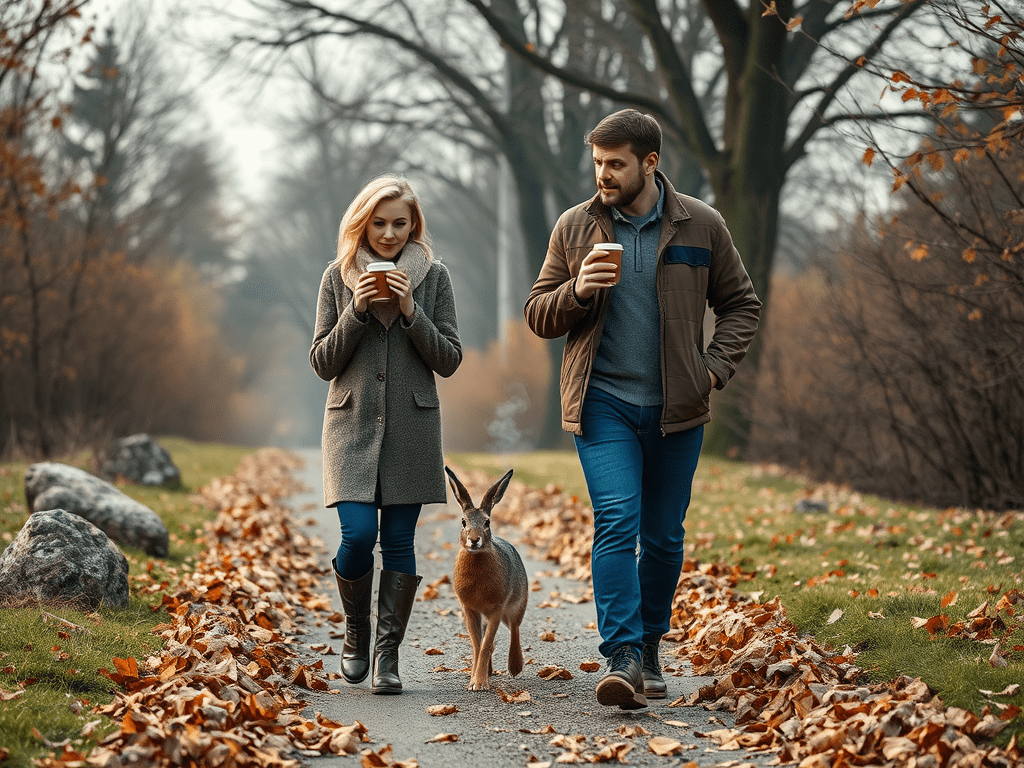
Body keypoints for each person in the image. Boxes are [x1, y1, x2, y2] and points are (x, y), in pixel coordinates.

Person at [524, 109, 761, 710]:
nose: (603, 174)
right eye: (598, 163)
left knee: (662, 538)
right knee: (616, 521)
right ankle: (623, 655)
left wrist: (713, 369)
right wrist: (577, 292)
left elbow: (742, 305)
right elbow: (537, 313)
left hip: (677, 409)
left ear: (649, 163)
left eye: (616, 164)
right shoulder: (575, 228)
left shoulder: (700, 226)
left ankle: (651, 643)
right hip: (602, 403)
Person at [310, 173, 462, 695]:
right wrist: (356, 309)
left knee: (399, 541)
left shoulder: (434, 277)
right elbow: (322, 361)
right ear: (362, 223)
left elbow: (450, 359)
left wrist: (410, 311)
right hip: (350, 427)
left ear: (414, 224)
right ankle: (357, 628)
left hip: (411, 430)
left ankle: (386, 657)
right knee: (358, 537)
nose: (390, 234)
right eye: (379, 223)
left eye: (400, 223)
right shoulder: (337, 277)